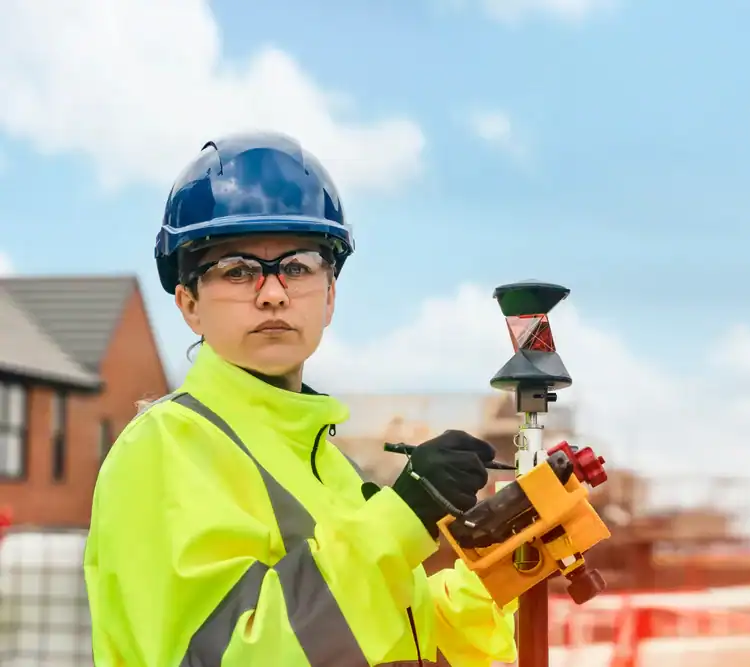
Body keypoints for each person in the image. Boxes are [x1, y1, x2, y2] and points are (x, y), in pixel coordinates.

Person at [83, 132, 518, 667]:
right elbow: (229, 654)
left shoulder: (328, 467)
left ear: (330, 295)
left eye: (297, 266)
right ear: (189, 303)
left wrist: (504, 561)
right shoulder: (163, 448)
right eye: (237, 270)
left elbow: (394, 631)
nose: (272, 292)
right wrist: (402, 517)